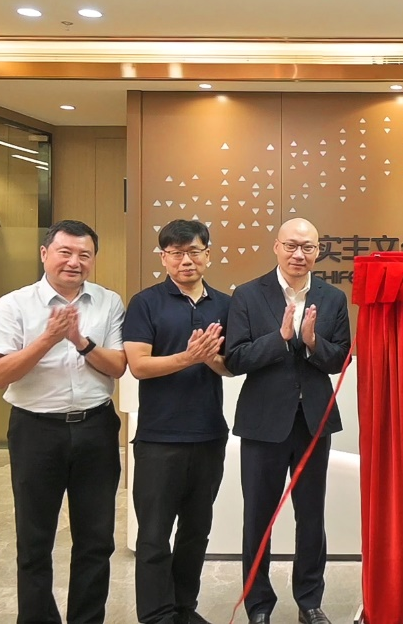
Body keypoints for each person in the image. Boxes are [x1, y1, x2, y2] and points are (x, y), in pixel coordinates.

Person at [0, 219, 127, 624]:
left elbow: (117, 366)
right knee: (34, 540)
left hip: (96, 428)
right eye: (65, 252)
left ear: (93, 260)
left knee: (96, 539)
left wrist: (80, 341)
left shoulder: (108, 302)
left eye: (84, 255)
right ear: (45, 253)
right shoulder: (15, 304)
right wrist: (49, 337)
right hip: (36, 430)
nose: (74, 262)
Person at [225, 218, 351, 624]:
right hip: (263, 423)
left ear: (318, 251)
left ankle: (309, 601)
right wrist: (279, 338)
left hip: (313, 422)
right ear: (276, 247)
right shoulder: (248, 295)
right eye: (292, 246)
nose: (300, 254)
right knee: (258, 517)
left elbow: (341, 358)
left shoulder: (333, 298)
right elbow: (235, 358)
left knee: (311, 516)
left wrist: (312, 342)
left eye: (308, 247)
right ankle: (259, 605)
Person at [123, 220, 232, 624]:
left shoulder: (224, 305)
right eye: (176, 253)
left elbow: (230, 366)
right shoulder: (145, 303)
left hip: (208, 436)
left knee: (195, 532)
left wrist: (210, 358)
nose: (186, 260)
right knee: (154, 535)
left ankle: (184, 609)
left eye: (194, 252)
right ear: (164, 258)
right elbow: (138, 366)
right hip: (159, 438)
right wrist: (188, 357)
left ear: (208, 254)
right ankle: (156, 616)